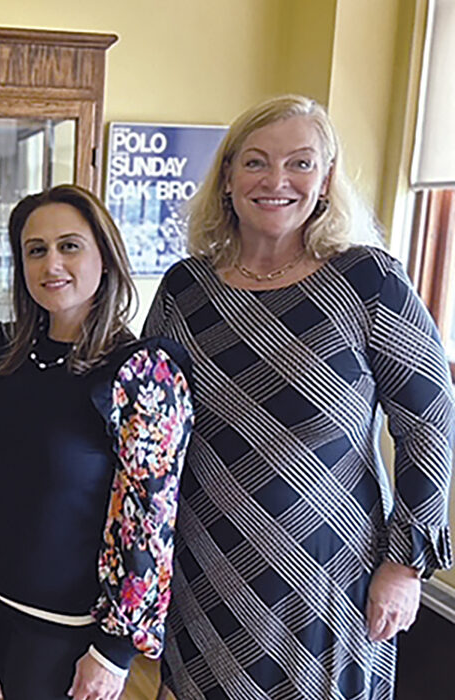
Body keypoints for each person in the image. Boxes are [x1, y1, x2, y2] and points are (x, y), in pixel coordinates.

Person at [144, 94, 455, 699]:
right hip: (206, 561)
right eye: (256, 162)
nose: (277, 180)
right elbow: (149, 427)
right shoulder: (186, 289)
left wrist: (405, 562)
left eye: (301, 163)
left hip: (329, 577)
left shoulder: (369, 281)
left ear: (327, 177)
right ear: (228, 176)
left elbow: (429, 425)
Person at [0, 184, 195, 700]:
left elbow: (148, 519)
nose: (51, 263)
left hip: (72, 625)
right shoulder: (4, 356)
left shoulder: (141, 372)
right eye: (36, 250)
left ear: (105, 257)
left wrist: (115, 649)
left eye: (69, 246)